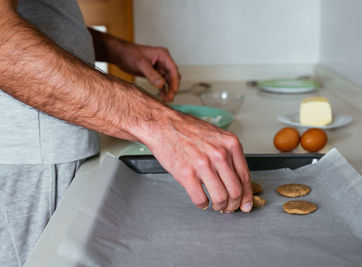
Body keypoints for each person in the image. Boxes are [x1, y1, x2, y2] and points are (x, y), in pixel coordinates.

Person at [0, 0, 253, 265]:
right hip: (29, 160)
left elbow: (42, 15)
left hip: (55, 150)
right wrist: (161, 124)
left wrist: (115, 49)